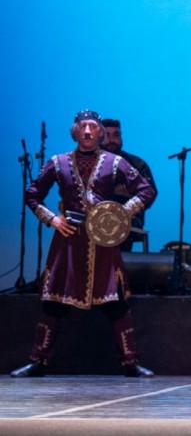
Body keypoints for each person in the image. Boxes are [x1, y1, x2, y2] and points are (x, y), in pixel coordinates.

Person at [11, 109, 157, 378]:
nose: (87, 131)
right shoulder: (58, 162)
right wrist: (52, 219)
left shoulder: (115, 162)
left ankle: (130, 363)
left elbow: (147, 190)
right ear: (75, 131)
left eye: (93, 127)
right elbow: (32, 195)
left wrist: (122, 213)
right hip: (68, 240)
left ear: (100, 132)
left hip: (102, 242)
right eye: (82, 127)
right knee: (54, 303)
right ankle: (37, 361)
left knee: (116, 303)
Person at [100, 118, 157, 252]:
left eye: (116, 135)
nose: (112, 140)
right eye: (107, 136)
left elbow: (150, 192)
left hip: (128, 221)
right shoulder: (89, 163)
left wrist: (126, 209)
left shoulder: (136, 164)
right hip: (93, 218)